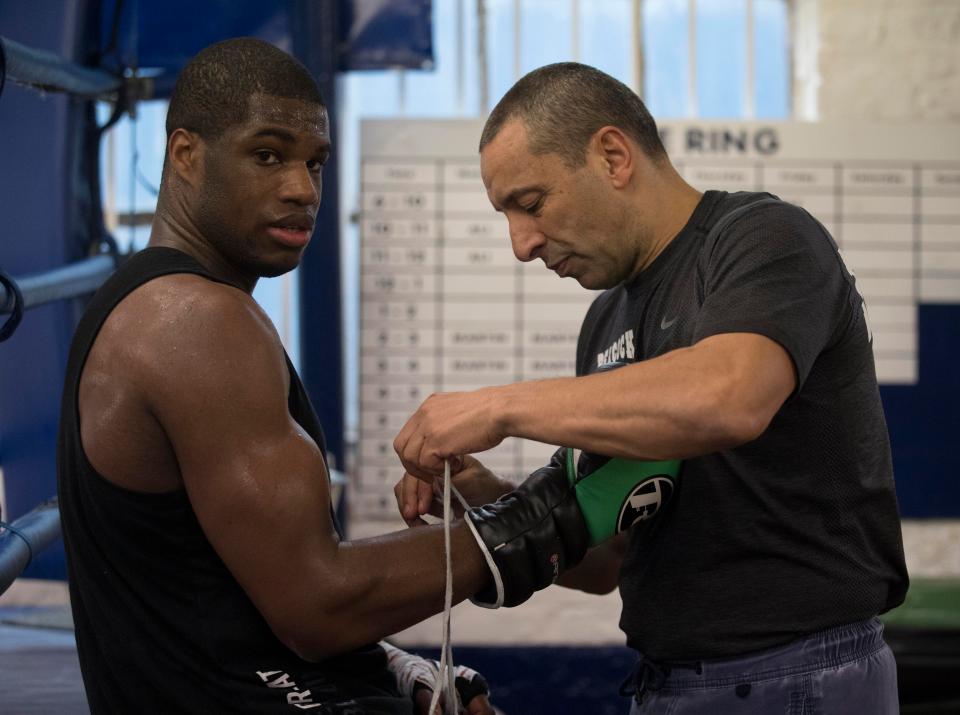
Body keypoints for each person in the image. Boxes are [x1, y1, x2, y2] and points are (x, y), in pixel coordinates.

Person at [394, 62, 909, 714]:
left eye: (530, 203)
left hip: (800, 675)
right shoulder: (606, 322)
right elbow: (606, 559)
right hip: (667, 680)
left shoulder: (762, 239)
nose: (521, 244)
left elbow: (731, 396)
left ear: (613, 155)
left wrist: (497, 406)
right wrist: (479, 491)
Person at [57, 38, 514, 715]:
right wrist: (536, 522)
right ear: (185, 154)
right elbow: (317, 603)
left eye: (315, 162)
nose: (302, 188)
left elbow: (219, 587)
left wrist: (393, 666)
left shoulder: (155, 304)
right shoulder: (197, 321)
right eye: (267, 154)